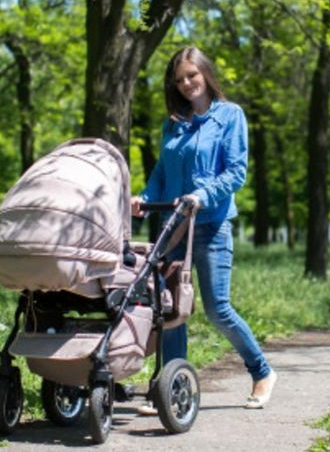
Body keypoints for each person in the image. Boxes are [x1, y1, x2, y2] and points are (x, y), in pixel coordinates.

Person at [131, 46, 277, 409]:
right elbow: (162, 173)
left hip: (211, 226)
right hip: (174, 228)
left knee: (217, 309)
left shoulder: (230, 116)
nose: (186, 84)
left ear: (206, 74)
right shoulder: (172, 123)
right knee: (170, 309)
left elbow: (235, 172)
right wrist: (144, 198)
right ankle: (172, 386)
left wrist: (201, 194)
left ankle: (262, 371)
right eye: (179, 79)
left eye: (191, 76)